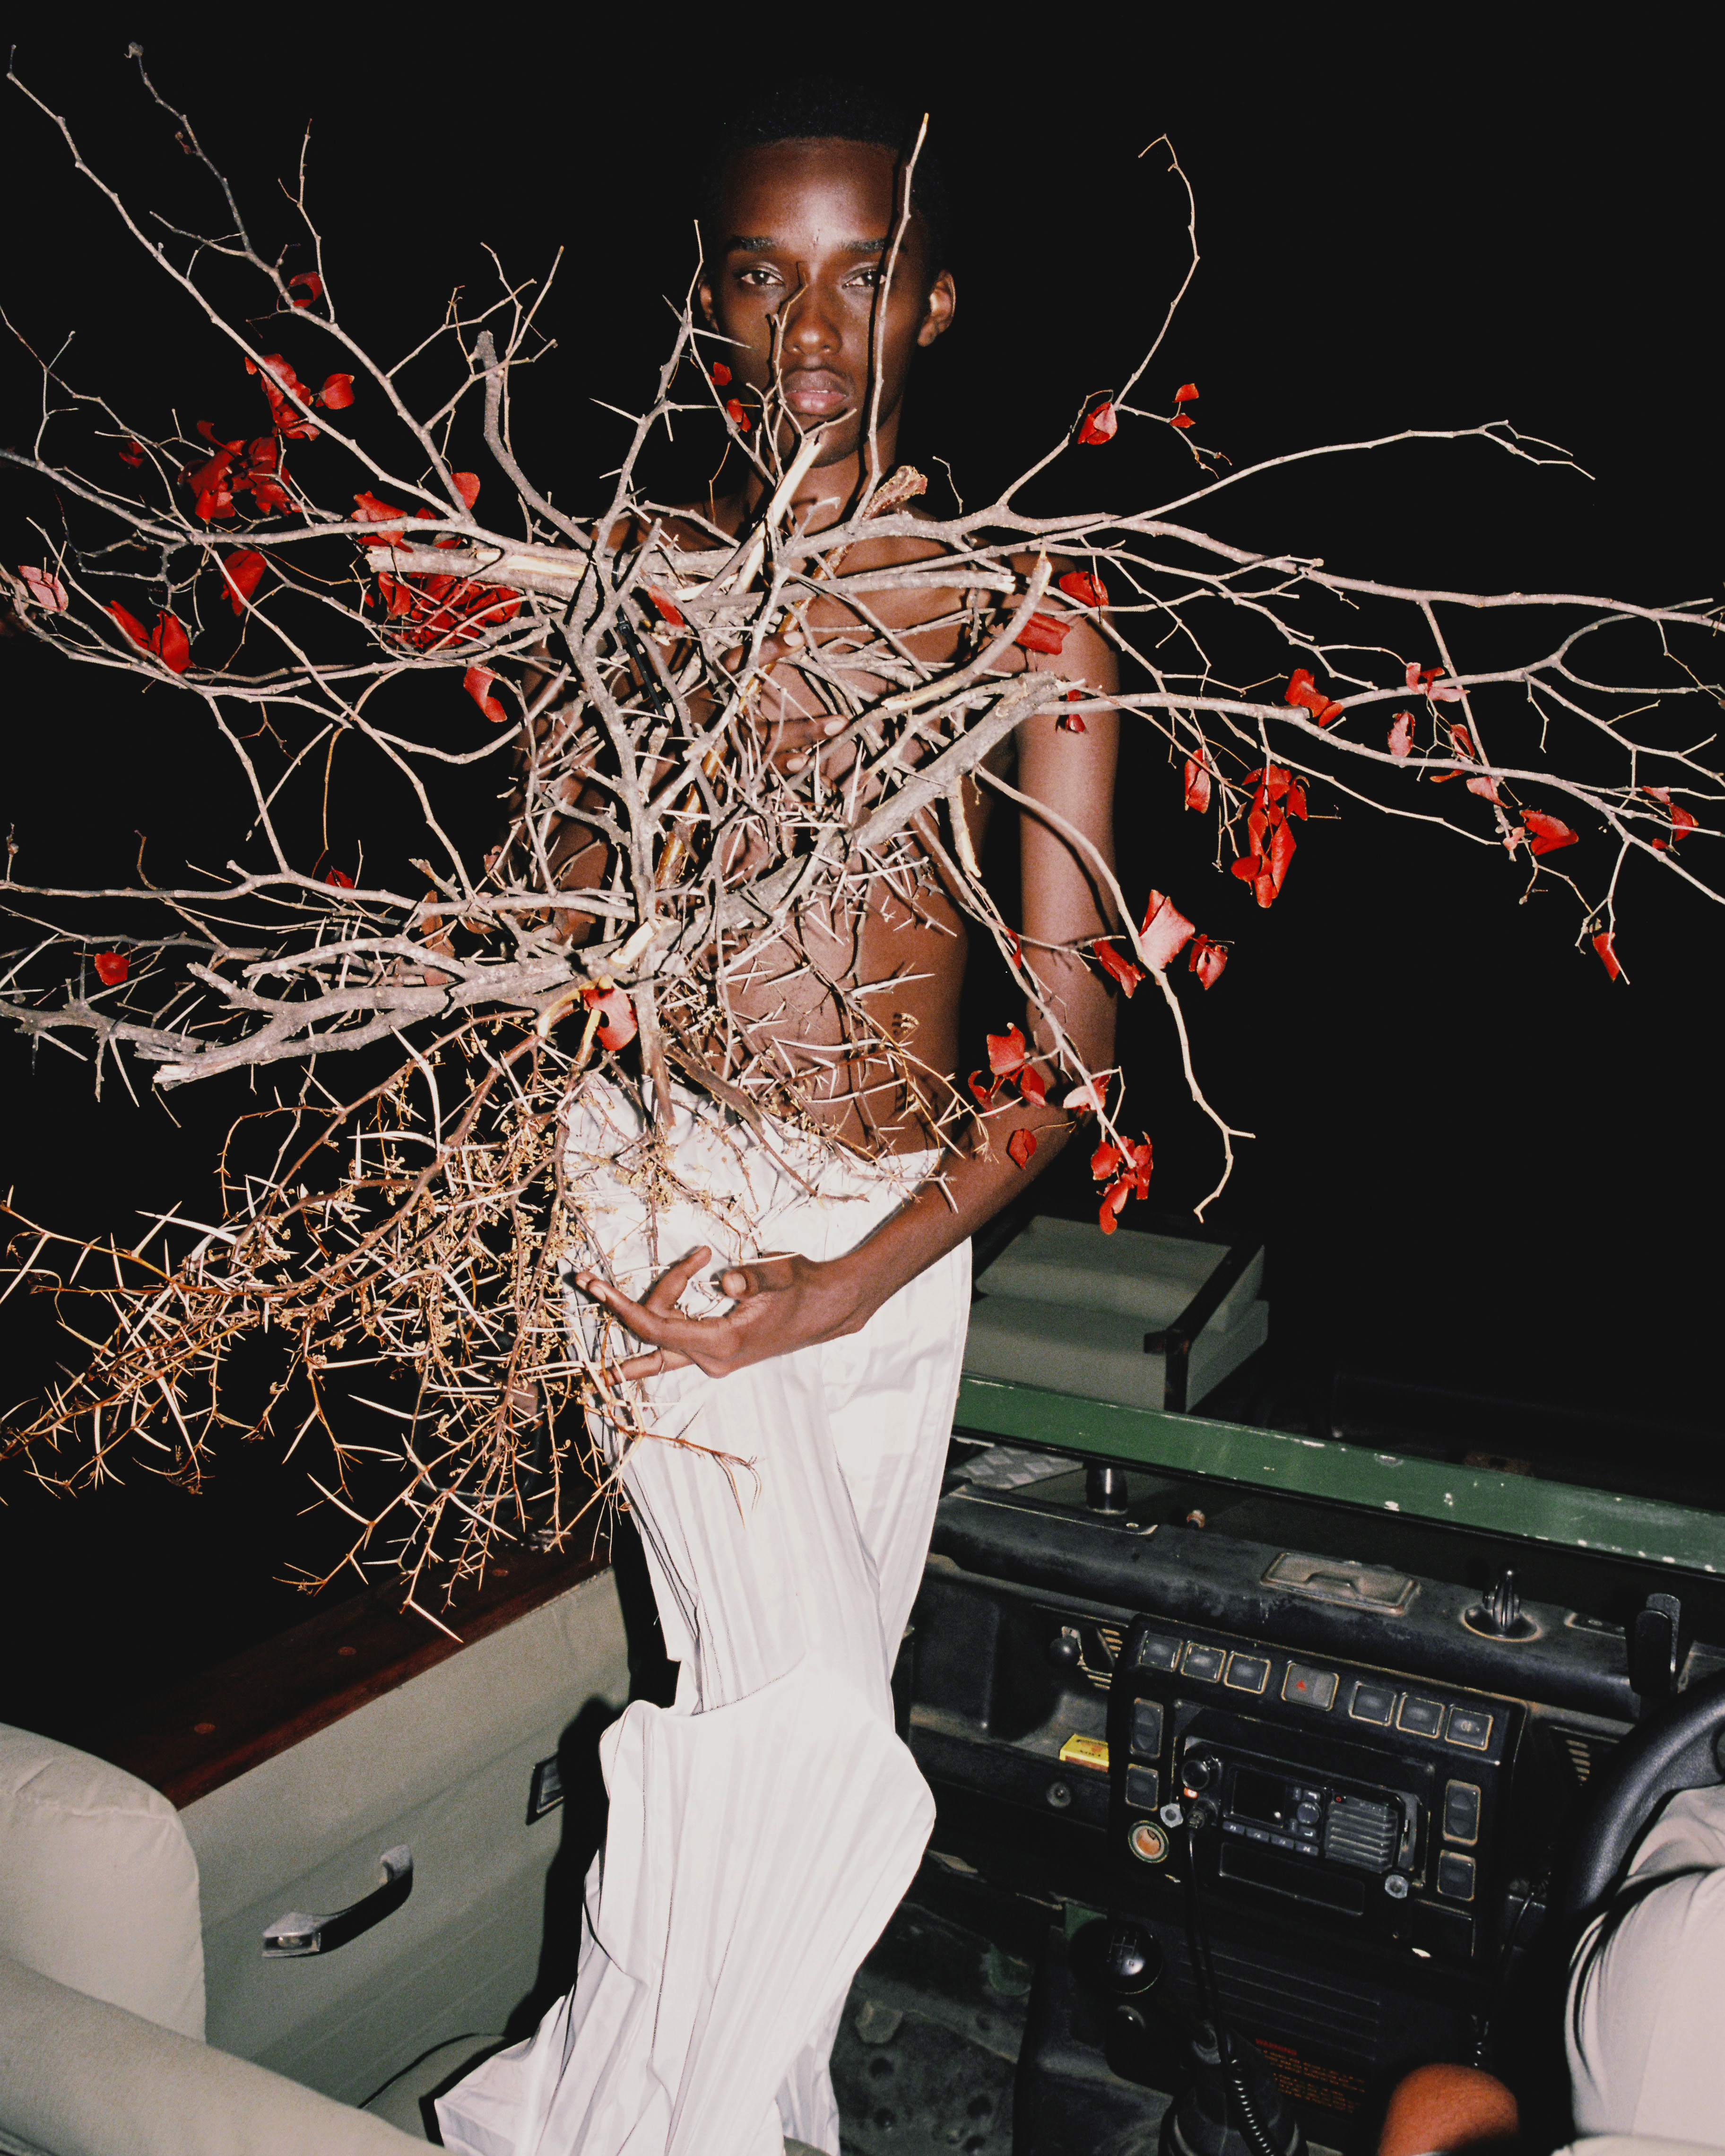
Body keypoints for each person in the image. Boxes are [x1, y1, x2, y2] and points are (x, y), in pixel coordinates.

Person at [436, 79, 1119, 2156]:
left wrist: (854, 1280)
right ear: (702, 306)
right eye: (760, 277)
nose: (810, 328)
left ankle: (697, 2119)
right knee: (809, 1718)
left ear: (932, 301)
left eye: (861, 275)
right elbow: (545, 953)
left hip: (895, 1242)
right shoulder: (624, 583)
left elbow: (1070, 1044)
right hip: (666, 1186)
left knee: (775, 1728)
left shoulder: (1026, 605)